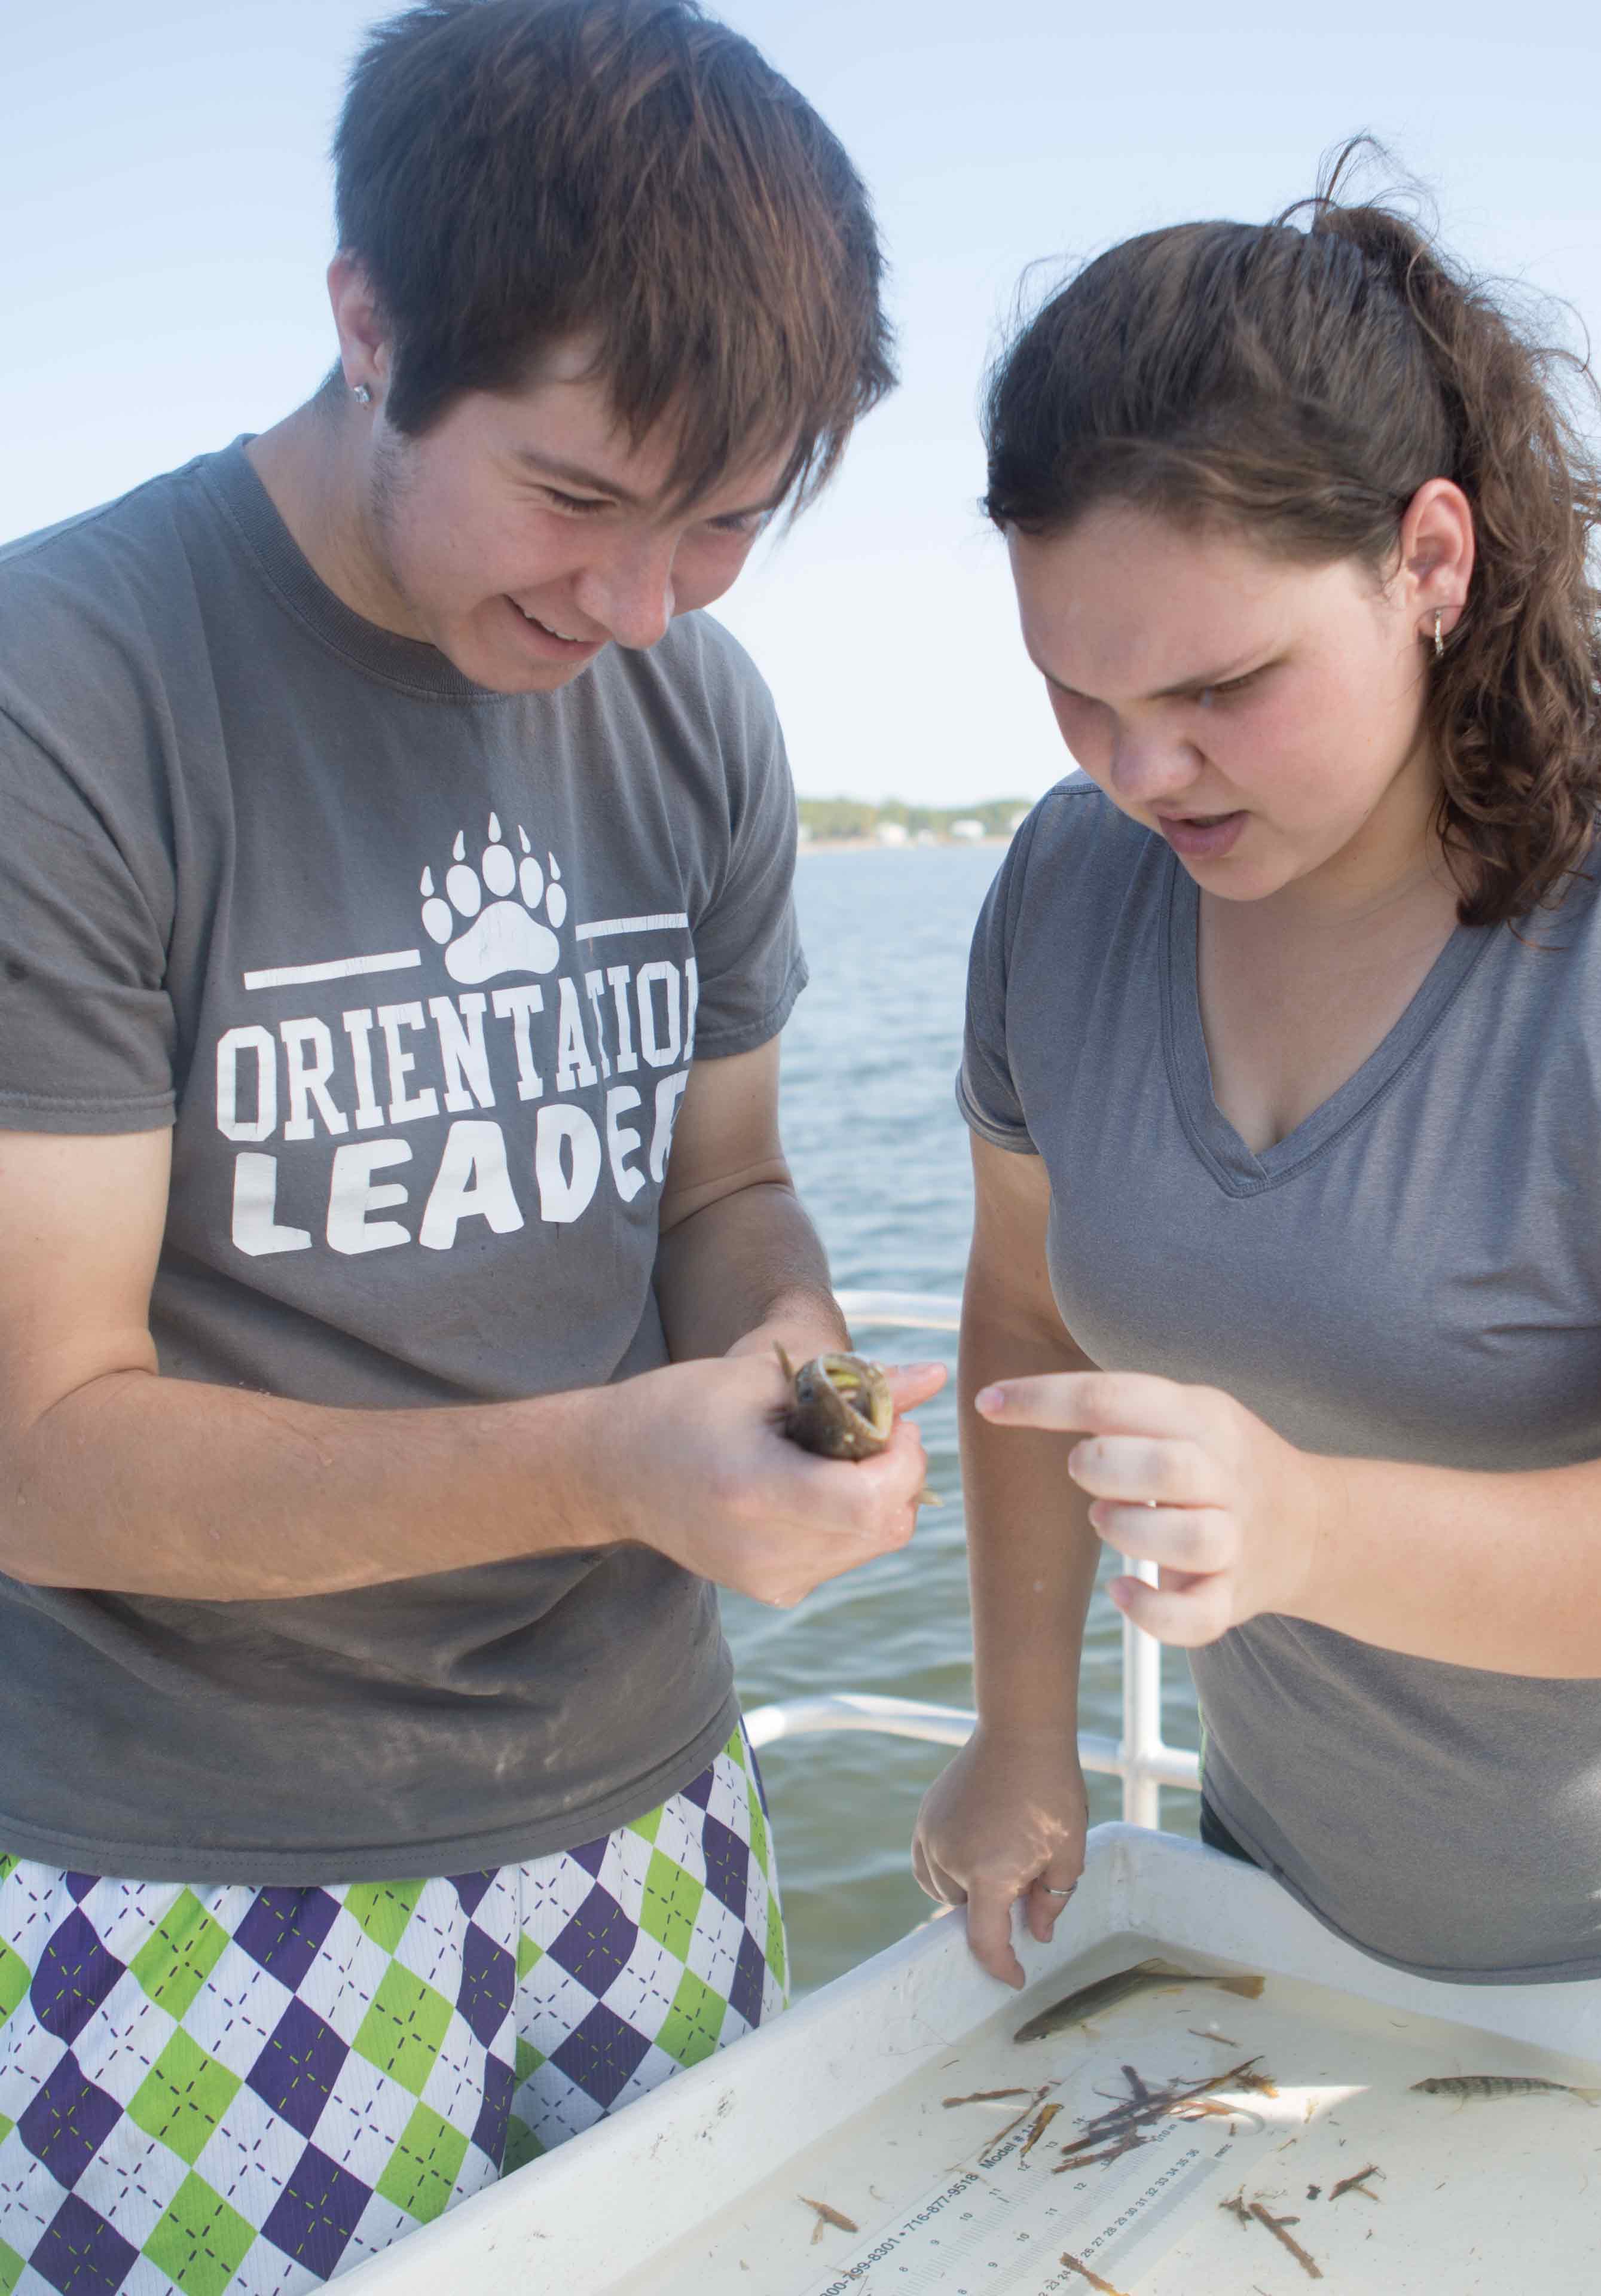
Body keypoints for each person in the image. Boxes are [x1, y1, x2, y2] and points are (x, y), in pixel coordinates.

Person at [0, 3, 943, 2285]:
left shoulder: (693, 702)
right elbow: (42, 1441)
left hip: (651, 1800)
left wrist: (797, 1374)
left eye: (723, 525)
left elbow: (719, 1187)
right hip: (194, 1863)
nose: (633, 607)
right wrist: (616, 1463)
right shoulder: (71, 691)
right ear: (368, 325)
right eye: (577, 499)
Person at [912, 164, 1601, 2008]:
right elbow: (1023, 1308)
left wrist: (1311, 1530)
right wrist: (1024, 1727)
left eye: (1222, 684)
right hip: (1276, 1886)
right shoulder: (1059, 888)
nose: (1139, 771)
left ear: (1427, 561)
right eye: (1075, 693)